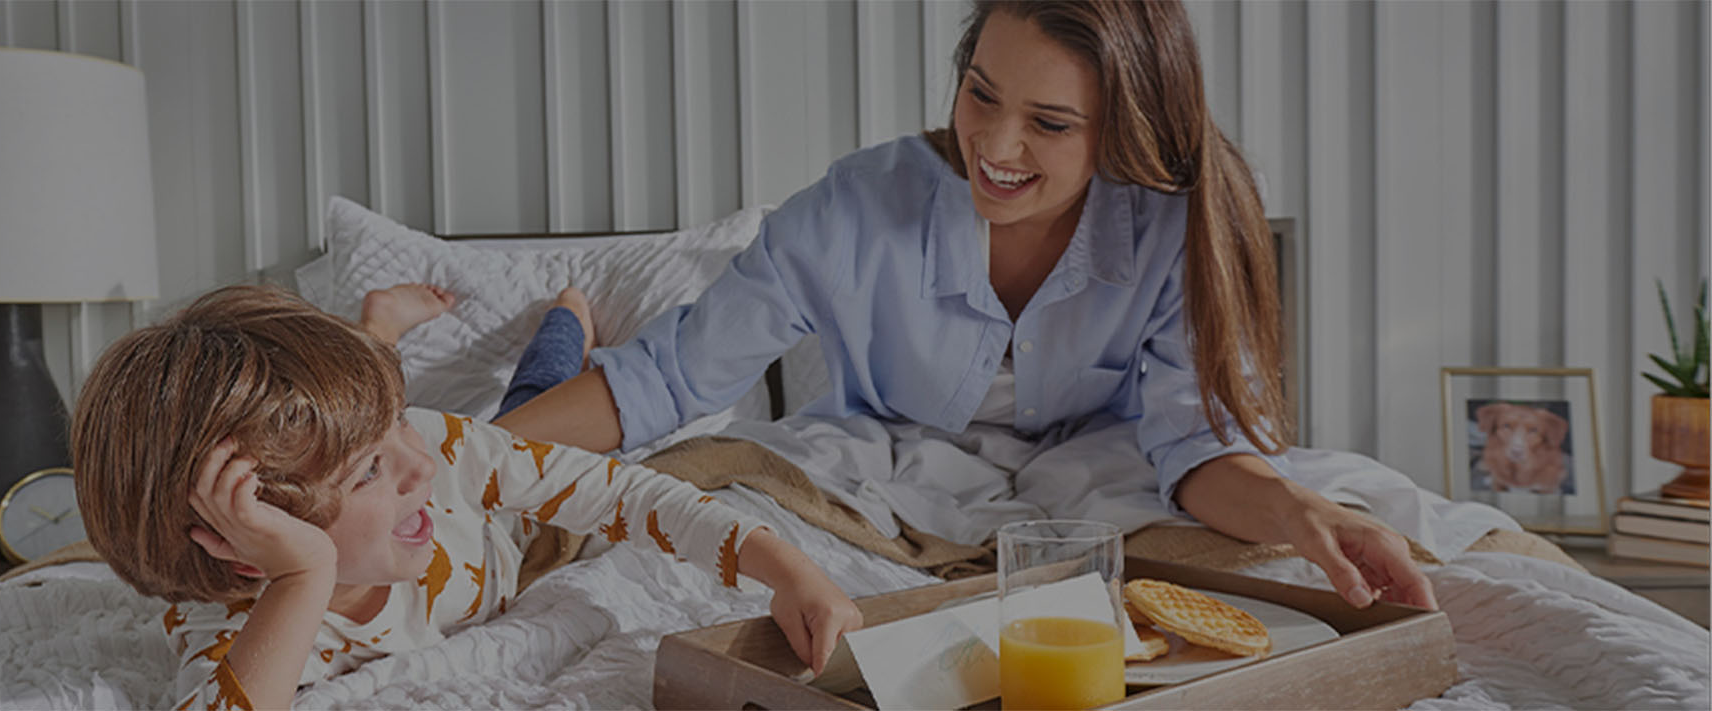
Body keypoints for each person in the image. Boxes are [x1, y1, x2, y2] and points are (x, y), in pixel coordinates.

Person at [496, 0, 1438, 610]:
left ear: (1123, 130)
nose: (994, 141)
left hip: (1105, 472)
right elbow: (669, 378)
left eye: (1049, 123)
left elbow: (1197, 443)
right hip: (872, 463)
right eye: (978, 92)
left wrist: (1295, 509)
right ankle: (561, 328)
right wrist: (461, 454)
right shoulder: (855, 209)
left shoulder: (1169, 228)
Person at [70, 284, 861, 711]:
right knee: (495, 419)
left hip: (509, 528)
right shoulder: (224, 619)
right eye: (367, 472)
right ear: (241, 542)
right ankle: (375, 327)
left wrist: (781, 564)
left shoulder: (434, 449)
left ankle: (558, 318)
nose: (416, 466)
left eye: (391, 435)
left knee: (533, 404)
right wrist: (302, 578)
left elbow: (620, 490)